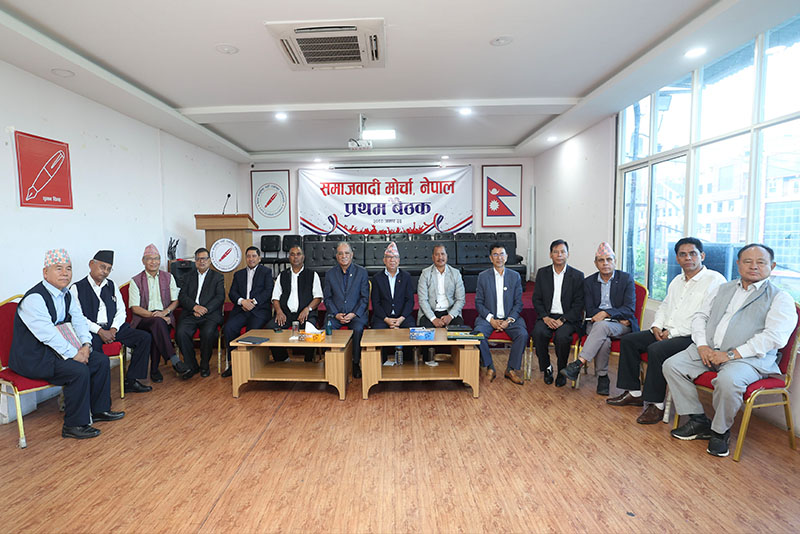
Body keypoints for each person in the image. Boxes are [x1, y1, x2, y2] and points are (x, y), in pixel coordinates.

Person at [664, 243, 796, 457]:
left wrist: (731, 354)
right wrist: (702, 345)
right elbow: (700, 316)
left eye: (761, 262)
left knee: (728, 381)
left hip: (747, 358)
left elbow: (774, 337)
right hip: (709, 350)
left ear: (772, 266)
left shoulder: (780, 298)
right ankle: (698, 420)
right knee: (672, 365)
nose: (754, 266)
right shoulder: (722, 288)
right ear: (738, 264)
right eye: (748, 261)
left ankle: (719, 432)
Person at [608, 238, 726, 423]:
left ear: (702, 256)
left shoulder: (715, 280)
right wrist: (656, 325)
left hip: (692, 337)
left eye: (693, 253)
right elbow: (664, 306)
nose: (688, 258)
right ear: (677, 259)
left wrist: (672, 333)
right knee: (630, 340)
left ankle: (656, 405)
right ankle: (634, 393)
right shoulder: (677, 280)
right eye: (682, 255)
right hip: (667, 330)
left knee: (657, 350)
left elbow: (705, 317)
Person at [10, 249, 124, 439]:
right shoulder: (34, 299)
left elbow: (79, 321)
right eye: (59, 268)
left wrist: (86, 346)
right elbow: (48, 336)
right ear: (45, 272)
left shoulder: (66, 294)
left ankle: (100, 410)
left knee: (100, 360)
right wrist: (75, 354)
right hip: (33, 357)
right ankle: (74, 425)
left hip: (55, 352)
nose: (65, 273)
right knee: (77, 370)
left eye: (68, 269)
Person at [560, 242, 638, 395]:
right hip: (596, 322)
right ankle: (603, 377)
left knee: (602, 327)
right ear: (596, 263)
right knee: (604, 339)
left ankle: (579, 363)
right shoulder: (589, 282)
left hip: (621, 325)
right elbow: (590, 309)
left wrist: (607, 314)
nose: (605, 263)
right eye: (601, 260)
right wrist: (608, 315)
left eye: (609, 259)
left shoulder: (626, 279)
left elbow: (629, 308)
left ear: (615, 261)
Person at [71, 250, 153, 394]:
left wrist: (113, 329)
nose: (105, 272)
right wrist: (100, 331)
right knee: (97, 355)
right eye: (102, 267)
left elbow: (121, 311)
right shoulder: (76, 288)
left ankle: (131, 380)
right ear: (91, 264)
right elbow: (78, 317)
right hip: (92, 331)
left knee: (144, 338)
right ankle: (95, 391)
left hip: (113, 328)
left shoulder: (112, 285)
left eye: (109, 269)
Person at [129, 243, 192, 381]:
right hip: (143, 319)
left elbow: (175, 301)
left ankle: (155, 370)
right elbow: (135, 308)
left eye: (156, 258)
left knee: (157, 328)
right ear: (143, 261)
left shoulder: (168, 277)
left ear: (160, 260)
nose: (153, 262)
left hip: (164, 317)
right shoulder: (135, 281)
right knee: (157, 323)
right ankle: (174, 361)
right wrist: (156, 316)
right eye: (150, 259)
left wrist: (164, 313)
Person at [472, 243, 528, 385]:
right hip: (489, 318)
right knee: (478, 334)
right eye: (495, 255)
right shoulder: (483, 277)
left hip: (509, 318)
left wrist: (508, 320)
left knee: (522, 334)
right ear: (491, 258)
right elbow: (479, 303)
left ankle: (511, 369)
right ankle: (490, 367)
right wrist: (491, 319)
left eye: (502, 254)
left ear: (507, 257)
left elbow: (518, 303)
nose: (499, 258)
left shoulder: (515, 276)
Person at [531, 239, 584, 387]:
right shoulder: (543, 273)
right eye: (556, 252)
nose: (559, 255)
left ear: (568, 254)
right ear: (550, 254)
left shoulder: (577, 276)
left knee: (562, 337)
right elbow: (536, 299)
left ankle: (562, 370)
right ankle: (547, 367)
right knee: (538, 333)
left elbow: (579, 304)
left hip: (568, 318)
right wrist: (545, 317)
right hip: (547, 316)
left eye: (562, 252)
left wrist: (563, 320)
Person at [264, 245, 323, 364]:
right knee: (270, 328)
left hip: (305, 314)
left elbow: (318, 297)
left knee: (309, 329)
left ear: (303, 257)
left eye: (298, 254)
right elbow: (275, 298)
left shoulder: (312, 275)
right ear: (289, 258)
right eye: (292, 254)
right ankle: (282, 359)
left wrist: (308, 309)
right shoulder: (282, 275)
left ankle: (308, 361)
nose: (295, 257)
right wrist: (279, 311)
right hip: (285, 314)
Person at [221, 246, 273, 376]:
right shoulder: (238, 274)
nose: (251, 259)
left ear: (259, 258)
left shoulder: (266, 272)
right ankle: (234, 363)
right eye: (248, 256)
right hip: (241, 309)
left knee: (252, 331)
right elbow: (232, 293)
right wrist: (242, 301)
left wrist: (253, 302)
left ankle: (251, 364)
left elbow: (268, 291)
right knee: (229, 328)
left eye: (254, 256)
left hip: (259, 311)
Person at [176, 247, 225, 378]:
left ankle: (204, 365)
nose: (201, 261)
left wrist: (204, 309)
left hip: (210, 314)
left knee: (208, 333)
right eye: (198, 259)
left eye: (204, 259)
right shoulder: (187, 276)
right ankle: (191, 366)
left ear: (209, 260)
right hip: (191, 313)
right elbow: (182, 296)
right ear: (195, 261)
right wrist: (195, 307)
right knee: (181, 333)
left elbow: (220, 297)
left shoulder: (217, 277)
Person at [323, 241, 369, 378]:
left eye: (347, 253)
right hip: (336, 315)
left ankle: (355, 362)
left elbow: (364, 298)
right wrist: (336, 314)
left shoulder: (361, 272)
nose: (344, 256)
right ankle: (332, 363)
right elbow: (327, 298)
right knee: (328, 328)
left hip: (356, 315)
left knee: (358, 329)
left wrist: (353, 314)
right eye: (340, 253)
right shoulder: (330, 274)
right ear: (337, 256)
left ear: (352, 255)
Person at [371, 241, 416, 361]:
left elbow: (410, 301)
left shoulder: (406, 277)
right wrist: (386, 319)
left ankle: (408, 362)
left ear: (399, 260)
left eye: (395, 257)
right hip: (383, 317)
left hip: (402, 317)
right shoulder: (377, 278)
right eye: (389, 257)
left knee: (411, 329)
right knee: (377, 330)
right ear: (384, 260)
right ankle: (382, 361)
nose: (392, 260)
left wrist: (400, 319)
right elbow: (375, 303)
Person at [417, 244, 466, 328]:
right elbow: (422, 300)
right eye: (437, 254)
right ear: (433, 257)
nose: (440, 257)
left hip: (450, 311)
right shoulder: (425, 274)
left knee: (457, 328)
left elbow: (460, 299)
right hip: (430, 312)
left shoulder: (455, 273)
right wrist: (433, 319)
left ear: (447, 256)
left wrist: (450, 316)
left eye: (442, 254)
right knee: (427, 330)